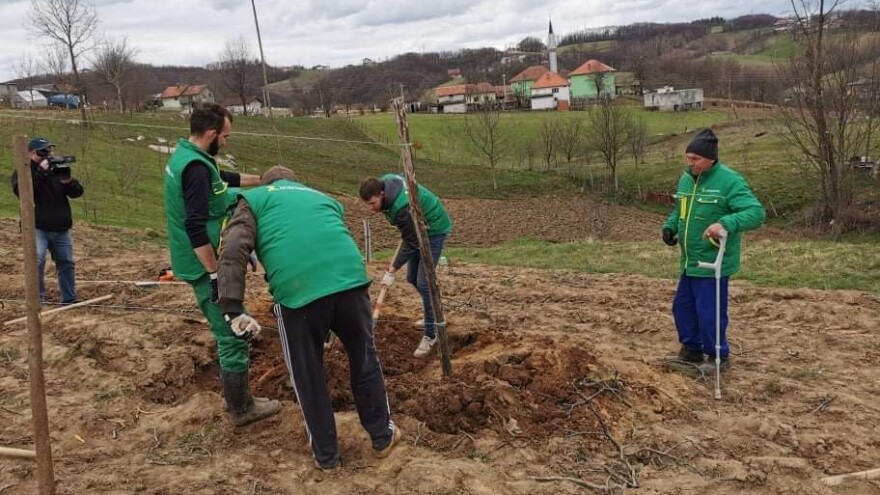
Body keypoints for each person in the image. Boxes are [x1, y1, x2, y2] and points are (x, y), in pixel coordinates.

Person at [217, 166, 401, 471]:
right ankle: (382, 437)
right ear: (295, 183)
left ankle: (328, 457)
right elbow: (321, 240)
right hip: (352, 283)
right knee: (365, 360)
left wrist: (232, 306)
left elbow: (234, 248)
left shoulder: (254, 199)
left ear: (268, 185)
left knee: (308, 376)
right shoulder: (321, 197)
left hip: (299, 295)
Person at [163, 103, 280, 426]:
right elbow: (195, 226)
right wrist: (216, 273)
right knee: (232, 332)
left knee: (230, 327)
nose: (227, 142)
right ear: (212, 134)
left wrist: (263, 179)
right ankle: (242, 408)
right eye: (225, 136)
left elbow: (222, 180)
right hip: (202, 264)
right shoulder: (195, 169)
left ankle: (240, 401)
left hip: (199, 258)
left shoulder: (190, 157)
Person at [661, 128, 765, 373]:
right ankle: (692, 351)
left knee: (710, 313)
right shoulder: (686, 179)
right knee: (682, 308)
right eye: (688, 158)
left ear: (711, 158)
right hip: (690, 261)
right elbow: (680, 210)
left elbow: (756, 213)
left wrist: (725, 224)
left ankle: (718, 358)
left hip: (713, 263)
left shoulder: (729, 181)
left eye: (695, 159)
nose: (690, 163)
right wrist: (670, 226)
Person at [359, 174, 453, 358]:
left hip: (433, 229)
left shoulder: (400, 208)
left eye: (372, 203)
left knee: (425, 283)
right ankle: (433, 315)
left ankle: (431, 334)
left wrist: (393, 269)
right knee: (412, 277)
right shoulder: (386, 183)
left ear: (382, 193)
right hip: (418, 228)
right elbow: (410, 236)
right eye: (367, 204)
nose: (370, 208)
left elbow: (411, 242)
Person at [11, 138, 84, 304]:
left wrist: (69, 181)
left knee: (66, 262)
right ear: (30, 153)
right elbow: (22, 192)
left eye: (49, 151)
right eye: (42, 152)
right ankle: (37, 301)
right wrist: (41, 172)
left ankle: (69, 299)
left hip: (61, 227)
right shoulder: (24, 172)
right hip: (37, 227)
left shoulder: (56, 170)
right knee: (36, 261)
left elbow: (77, 193)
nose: (47, 155)